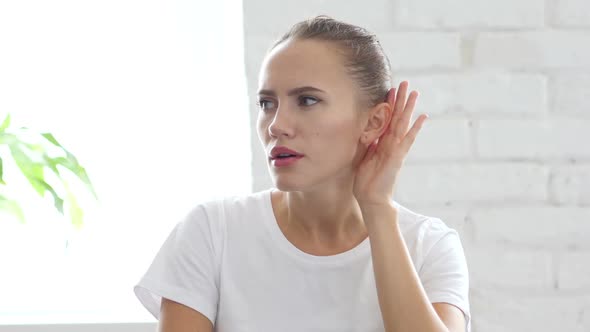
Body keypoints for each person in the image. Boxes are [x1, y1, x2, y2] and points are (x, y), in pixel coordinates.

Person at [134, 15, 471, 332]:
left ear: (374, 122)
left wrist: (377, 209)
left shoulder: (429, 247)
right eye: (267, 104)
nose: (277, 126)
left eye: (307, 101)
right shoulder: (212, 231)